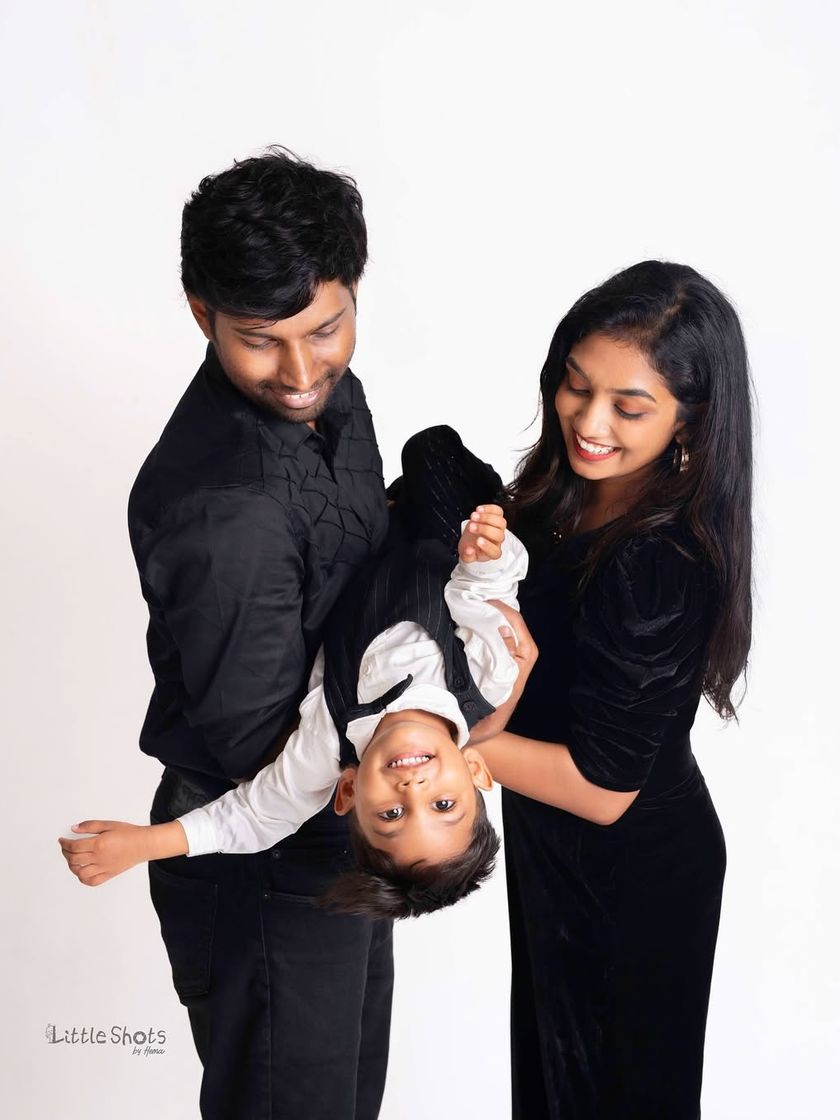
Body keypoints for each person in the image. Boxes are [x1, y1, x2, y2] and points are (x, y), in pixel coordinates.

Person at [68, 146, 394, 1120]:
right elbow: (264, 752)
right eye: (260, 340)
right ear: (200, 312)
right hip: (265, 868)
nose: (300, 371)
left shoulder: (333, 393)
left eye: (326, 327)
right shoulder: (223, 513)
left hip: (346, 837)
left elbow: (364, 573)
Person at [476, 260, 753, 1119]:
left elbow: (602, 790)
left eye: (629, 408)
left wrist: (442, 742)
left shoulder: (657, 560)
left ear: (688, 420)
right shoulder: (564, 498)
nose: (589, 422)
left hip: (633, 875)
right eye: (576, 385)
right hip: (556, 851)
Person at [59, 485, 531, 918]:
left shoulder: (327, 740)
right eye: (444, 804)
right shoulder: (487, 681)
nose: (413, 789)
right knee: (432, 448)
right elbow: (489, 592)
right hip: (437, 518)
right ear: (475, 770)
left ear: (348, 792)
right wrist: (486, 554)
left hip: (349, 532)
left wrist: (145, 844)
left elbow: (257, 815)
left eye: (391, 815)